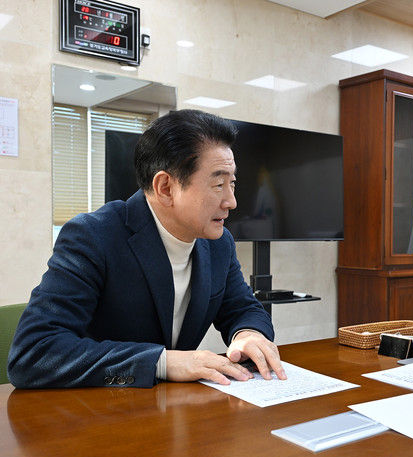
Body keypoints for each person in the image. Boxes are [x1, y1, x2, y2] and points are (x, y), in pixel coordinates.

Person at [8, 109, 286, 388]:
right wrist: (162, 362)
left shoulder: (219, 243)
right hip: (101, 404)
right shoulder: (93, 236)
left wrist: (248, 334)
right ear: (165, 187)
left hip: (172, 405)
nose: (231, 201)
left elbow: (242, 308)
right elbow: (33, 353)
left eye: (232, 183)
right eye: (218, 184)